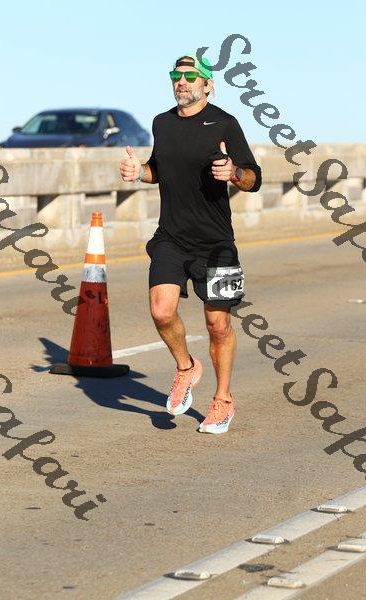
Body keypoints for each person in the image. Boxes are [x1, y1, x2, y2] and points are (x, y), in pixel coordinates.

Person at [119, 52, 261, 434]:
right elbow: (159, 170)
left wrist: (234, 172)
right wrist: (139, 172)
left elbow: (254, 178)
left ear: (208, 84)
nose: (181, 82)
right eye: (176, 76)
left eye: (191, 76)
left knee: (218, 325)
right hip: (172, 237)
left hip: (216, 243)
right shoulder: (162, 123)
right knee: (161, 311)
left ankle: (223, 400)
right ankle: (186, 367)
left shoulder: (225, 123)